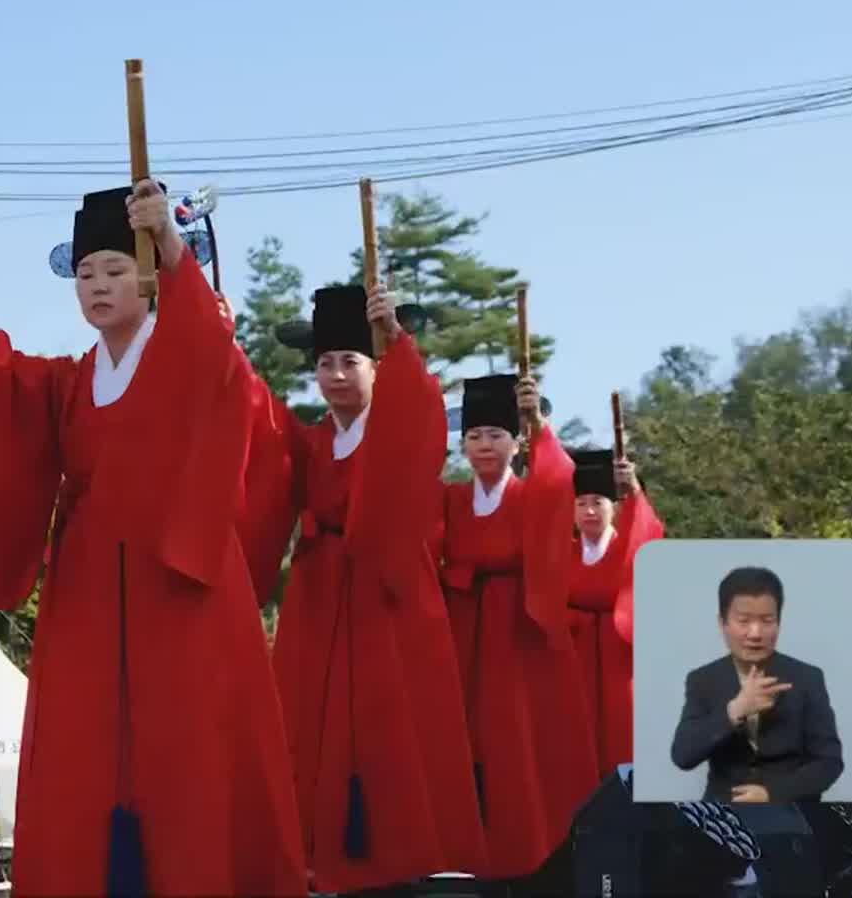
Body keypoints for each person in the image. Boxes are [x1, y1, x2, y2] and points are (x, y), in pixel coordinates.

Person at [0, 183, 309, 895]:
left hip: (177, 585)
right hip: (89, 588)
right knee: (82, 755)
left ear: (151, 278)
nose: (96, 287)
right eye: (86, 274)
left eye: (115, 271)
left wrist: (175, 244)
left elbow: (215, 357)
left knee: (187, 753)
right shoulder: (72, 382)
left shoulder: (187, 351)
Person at [257, 284, 487, 892]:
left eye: (351, 361)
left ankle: (396, 858)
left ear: (376, 367)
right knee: (311, 730)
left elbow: (420, 408)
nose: (335, 376)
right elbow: (256, 420)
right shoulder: (312, 442)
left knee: (387, 731)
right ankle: (321, 855)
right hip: (320, 593)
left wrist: (399, 340)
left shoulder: (395, 425)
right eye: (325, 363)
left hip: (385, 594)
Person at [437, 374, 598, 881]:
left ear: (516, 443)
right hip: (463, 626)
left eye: (497, 436)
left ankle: (526, 849)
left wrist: (541, 425)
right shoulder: (451, 499)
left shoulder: (533, 494)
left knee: (515, 738)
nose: (485, 446)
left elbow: (559, 480)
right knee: (464, 739)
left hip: (516, 630)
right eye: (475, 436)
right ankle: (467, 848)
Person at [670, 566, 844, 803]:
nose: (755, 633)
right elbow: (682, 756)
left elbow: (829, 762)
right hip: (724, 816)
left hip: (790, 812)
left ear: (779, 623)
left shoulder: (807, 678)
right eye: (743, 621)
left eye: (767, 621)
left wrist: (772, 794)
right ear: (723, 624)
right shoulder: (702, 679)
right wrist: (735, 710)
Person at [565, 448, 663, 776]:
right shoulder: (563, 551)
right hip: (574, 656)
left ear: (614, 507)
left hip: (619, 655)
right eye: (581, 503)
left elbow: (645, 529)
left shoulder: (627, 547)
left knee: (624, 734)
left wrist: (633, 489)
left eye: (599, 502)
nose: (590, 511)